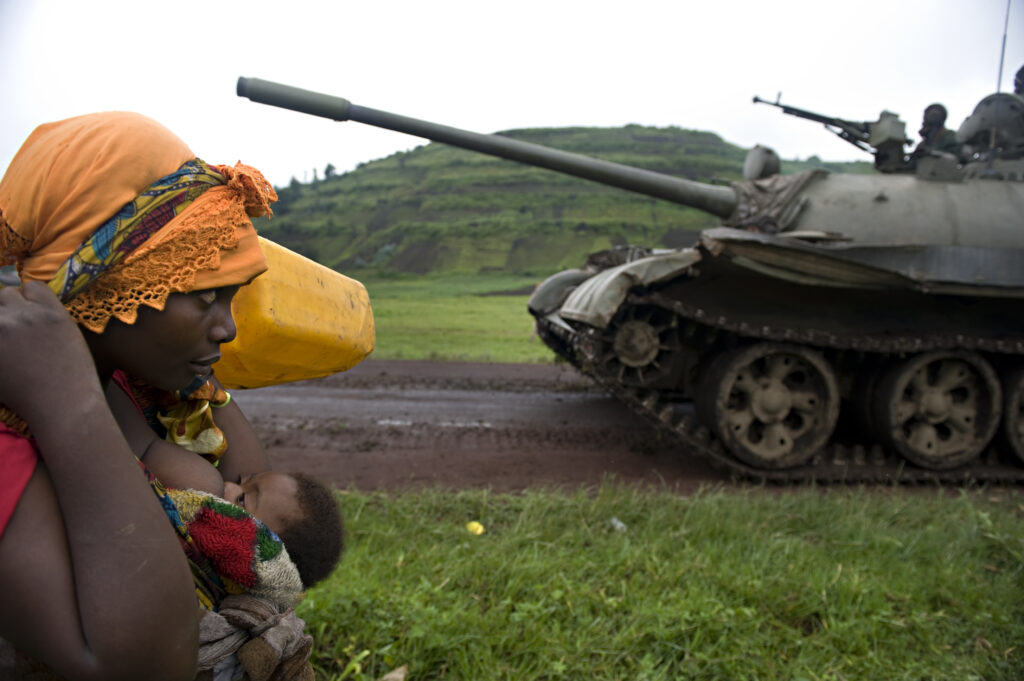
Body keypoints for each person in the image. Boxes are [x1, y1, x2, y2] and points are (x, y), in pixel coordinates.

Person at [0, 111, 338, 680]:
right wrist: (69, 401)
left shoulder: (140, 387)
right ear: (111, 282)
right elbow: (148, 664)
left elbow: (251, 498)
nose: (228, 329)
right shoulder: (20, 429)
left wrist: (199, 387)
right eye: (206, 296)